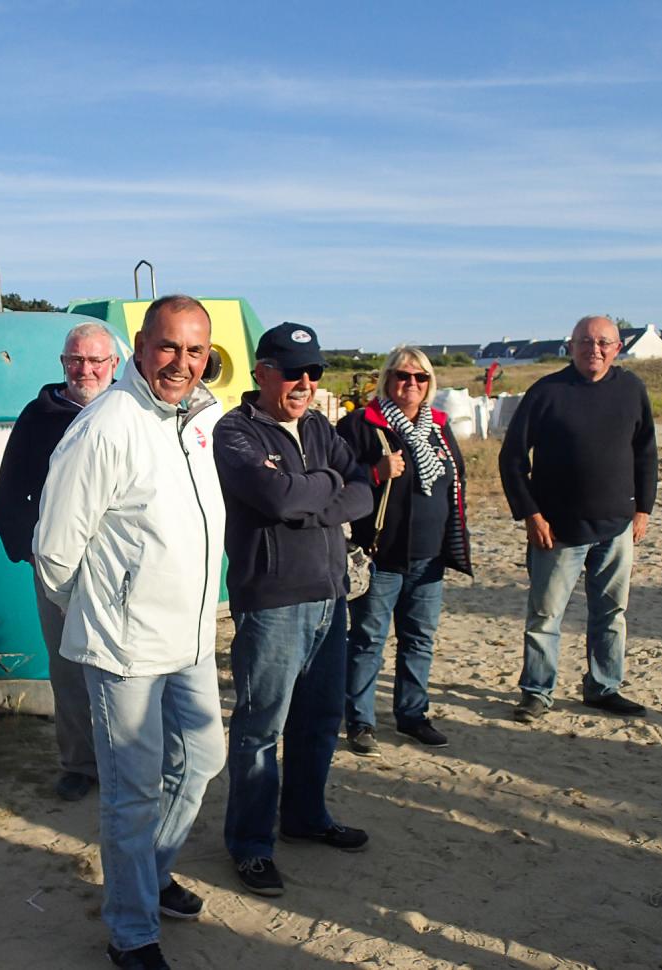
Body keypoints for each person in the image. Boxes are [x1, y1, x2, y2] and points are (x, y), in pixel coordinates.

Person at [34, 295, 226, 970]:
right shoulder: (107, 425)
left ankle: (149, 872)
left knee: (201, 759)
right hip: (127, 647)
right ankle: (132, 932)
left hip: (190, 636)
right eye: (168, 346)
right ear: (140, 348)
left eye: (195, 350)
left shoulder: (198, 419)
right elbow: (55, 551)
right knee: (132, 792)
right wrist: (103, 614)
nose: (181, 362)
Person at [213, 322, 373, 898]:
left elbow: (364, 490)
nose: (304, 383)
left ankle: (305, 817)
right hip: (272, 602)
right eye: (291, 372)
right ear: (262, 372)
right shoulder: (235, 432)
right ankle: (251, 845)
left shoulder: (319, 427)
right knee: (261, 728)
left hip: (330, 597)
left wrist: (314, 495)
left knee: (320, 719)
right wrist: (326, 486)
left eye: (313, 373)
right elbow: (277, 498)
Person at [499, 315, 656, 722]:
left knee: (610, 614)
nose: (594, 349)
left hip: (617, 527)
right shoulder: (546, 392)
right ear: (570, 347)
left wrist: (644, 508)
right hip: (557, 530)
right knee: (545, 616)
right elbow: (512, 459)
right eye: (585, 342)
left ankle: (604, 688)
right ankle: (537, 691)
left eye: (603, 342)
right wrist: (531, 514)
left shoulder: (631, 389)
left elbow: (645, 452)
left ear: (617, 348)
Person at [0, 321, 120, 801]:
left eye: (95, 360)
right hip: (59, 567)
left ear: (113, 364)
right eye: (75, 360)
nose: (85, 369)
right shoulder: (40, 416)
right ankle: (80, 763)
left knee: (126, 665)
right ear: (63, 363)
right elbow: (11, 487)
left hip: (122, 564)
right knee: (68, 666)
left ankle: (128, 760)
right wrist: (30, 549)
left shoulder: (130, 410)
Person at [337, 347, 472, 758]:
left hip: (429, 557)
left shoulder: (438, 428)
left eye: (420, 377)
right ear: (386, 379)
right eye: (402, 375)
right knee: (368, 641)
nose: (411, 384)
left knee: (419, 640)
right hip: (381, 556)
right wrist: (375, 472)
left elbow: (457, 481)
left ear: (430, 383)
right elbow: (336, 481)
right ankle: (360, 721)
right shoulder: (361, 425)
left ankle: (412, 716)